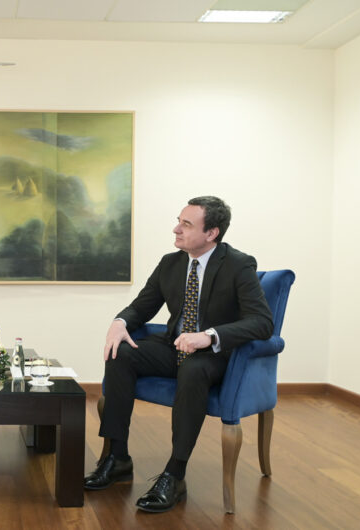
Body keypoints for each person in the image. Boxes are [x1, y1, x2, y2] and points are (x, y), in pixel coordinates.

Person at [83, 196, 273, 513]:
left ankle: (175, 473)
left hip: (214, 356)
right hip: (174, 346)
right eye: (178, 221)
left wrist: (209, 336)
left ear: (211, 233)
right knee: (121, 353)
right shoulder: (171, 263)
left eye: (186, 224)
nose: (176, 229)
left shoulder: (239, 265)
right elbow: (141, 307)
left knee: (194, 369)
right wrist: (119, 323)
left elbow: (262, 322)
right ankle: (117, 458)